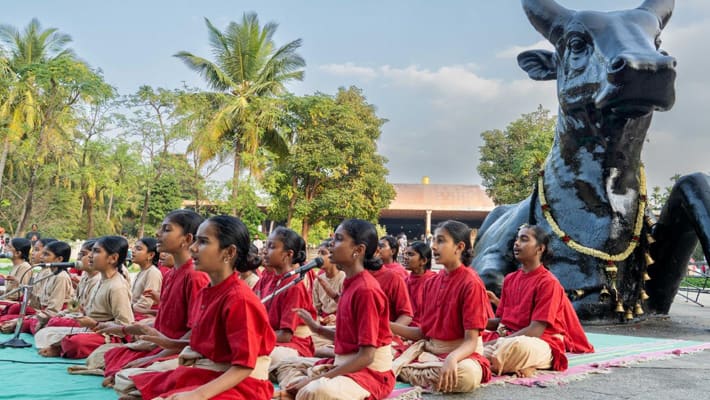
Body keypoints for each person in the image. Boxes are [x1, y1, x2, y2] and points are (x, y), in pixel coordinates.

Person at [129, 215, 275, 400]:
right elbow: (210, 345)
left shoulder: (240, 299)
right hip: (208, 371)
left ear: (229, 252)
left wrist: (198, 394)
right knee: (128, 382)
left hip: (242, 384)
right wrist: (169, 343)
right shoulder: (209, 290)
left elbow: (244, 366)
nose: (193, 248)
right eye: (196, 240)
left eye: (203, 241)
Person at [281, 219, 395, 400]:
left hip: (370, 374)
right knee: (287, 364)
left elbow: (366, 356)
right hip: (345, 363)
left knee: (315, 390)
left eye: (339, 239)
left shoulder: (366, 290)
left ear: (358, 250)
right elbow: (350, 340)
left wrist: (318, 378)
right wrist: (316, 328)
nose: (332, 244)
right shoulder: (351, 283)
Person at [99, 209, 209, 387]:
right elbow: (164, 320)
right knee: (111, 356)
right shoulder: (173, 273)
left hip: (178, 348)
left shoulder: (196, 276)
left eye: (166, 229)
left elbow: (195, 332)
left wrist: (155, 355)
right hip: (160, 344)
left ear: (187, 239)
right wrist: (125, 329)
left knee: (129, 375)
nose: (158, 234)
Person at [391, 220, 492, 393]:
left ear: (459, 247)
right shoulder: (431, 283)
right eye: (434, 241)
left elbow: (471, 341)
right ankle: (412, 370)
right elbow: (423, 334)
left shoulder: (471, 283)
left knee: (466, 376)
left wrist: (452, 358)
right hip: (431, 351)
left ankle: (404, 371)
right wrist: (385, 324)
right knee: (379, 354)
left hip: (463, 353)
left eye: (441, 241)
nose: (434, 247)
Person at [484, 224, 594, 377]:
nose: (516, 243)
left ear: (540, 248)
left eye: (524, 239)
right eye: (517, 239)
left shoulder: (548, 282)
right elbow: (501, 321)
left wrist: (494, 343)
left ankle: (495, 360)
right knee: (466, 338)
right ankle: (500, 362)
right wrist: (473, 323)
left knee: (515, 347)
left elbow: (535, 330)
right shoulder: (510, 279)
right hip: (508, 338)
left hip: (539, 341)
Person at [34, 236, 134, 358]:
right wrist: (66, 313)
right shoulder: (97, 280)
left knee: (76, 342)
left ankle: (62, 347)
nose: (90, 256)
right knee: (45, 333)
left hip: (107, 334)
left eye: (96, 251)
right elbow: (77, 304)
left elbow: (125, 326)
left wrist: (95, 325)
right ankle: (63, 345)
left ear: (113, 258)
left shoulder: (117, 286)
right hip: (89, 326)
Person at [260, 227, 317, 376]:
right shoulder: (265, 278)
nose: (265, 251)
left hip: (292, 344)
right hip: (268, 338)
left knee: (256, 356)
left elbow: (286, 335)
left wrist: (256, 337)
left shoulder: (294, 286)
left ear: (288, 254)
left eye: (271, 247)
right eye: (266, 246)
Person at [0, 240, 75, 334]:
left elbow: (53, 311)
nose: (41, 256)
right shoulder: (50, 274)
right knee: (10, 317)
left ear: (59, 259)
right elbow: (36, 299)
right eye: (42, 253)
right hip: (42, 312)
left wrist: (20, 320)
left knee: (15, 321)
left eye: (46, 254)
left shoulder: (61, 277)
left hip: (51, 315)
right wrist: (20, 285)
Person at [311, 239, 345, 354]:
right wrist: (319, 319)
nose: (319, 257)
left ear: (333, 256)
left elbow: (347, 309)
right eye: (319, 253)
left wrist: (335, 318)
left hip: (339, 324)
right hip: (324, 325)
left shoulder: (344, 278)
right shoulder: (318, 281)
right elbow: (316, 309)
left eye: (323, 253)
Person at [402, 241, 437, 327]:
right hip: (405, 328)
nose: (405, 257)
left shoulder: (434, 281)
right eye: (405, 254)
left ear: (424, 260)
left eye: (410, 254)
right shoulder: (404, 281)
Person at [129, 237, 163, 320]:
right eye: (134, 248)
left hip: (143, 317)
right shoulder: (141, 272)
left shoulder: (153, 273)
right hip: (134, 312)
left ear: (151, 255)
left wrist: (127, 308)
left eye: (138, 249)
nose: (133, 251)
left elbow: (145, 303)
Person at [0, 238, 33, 302]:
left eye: (9, 247)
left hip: (15, 304)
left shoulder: (25, 267)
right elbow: (9, 290)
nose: (5, 248)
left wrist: (3, 298)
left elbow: (20, 294)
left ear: (17, 253)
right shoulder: (14, 266)